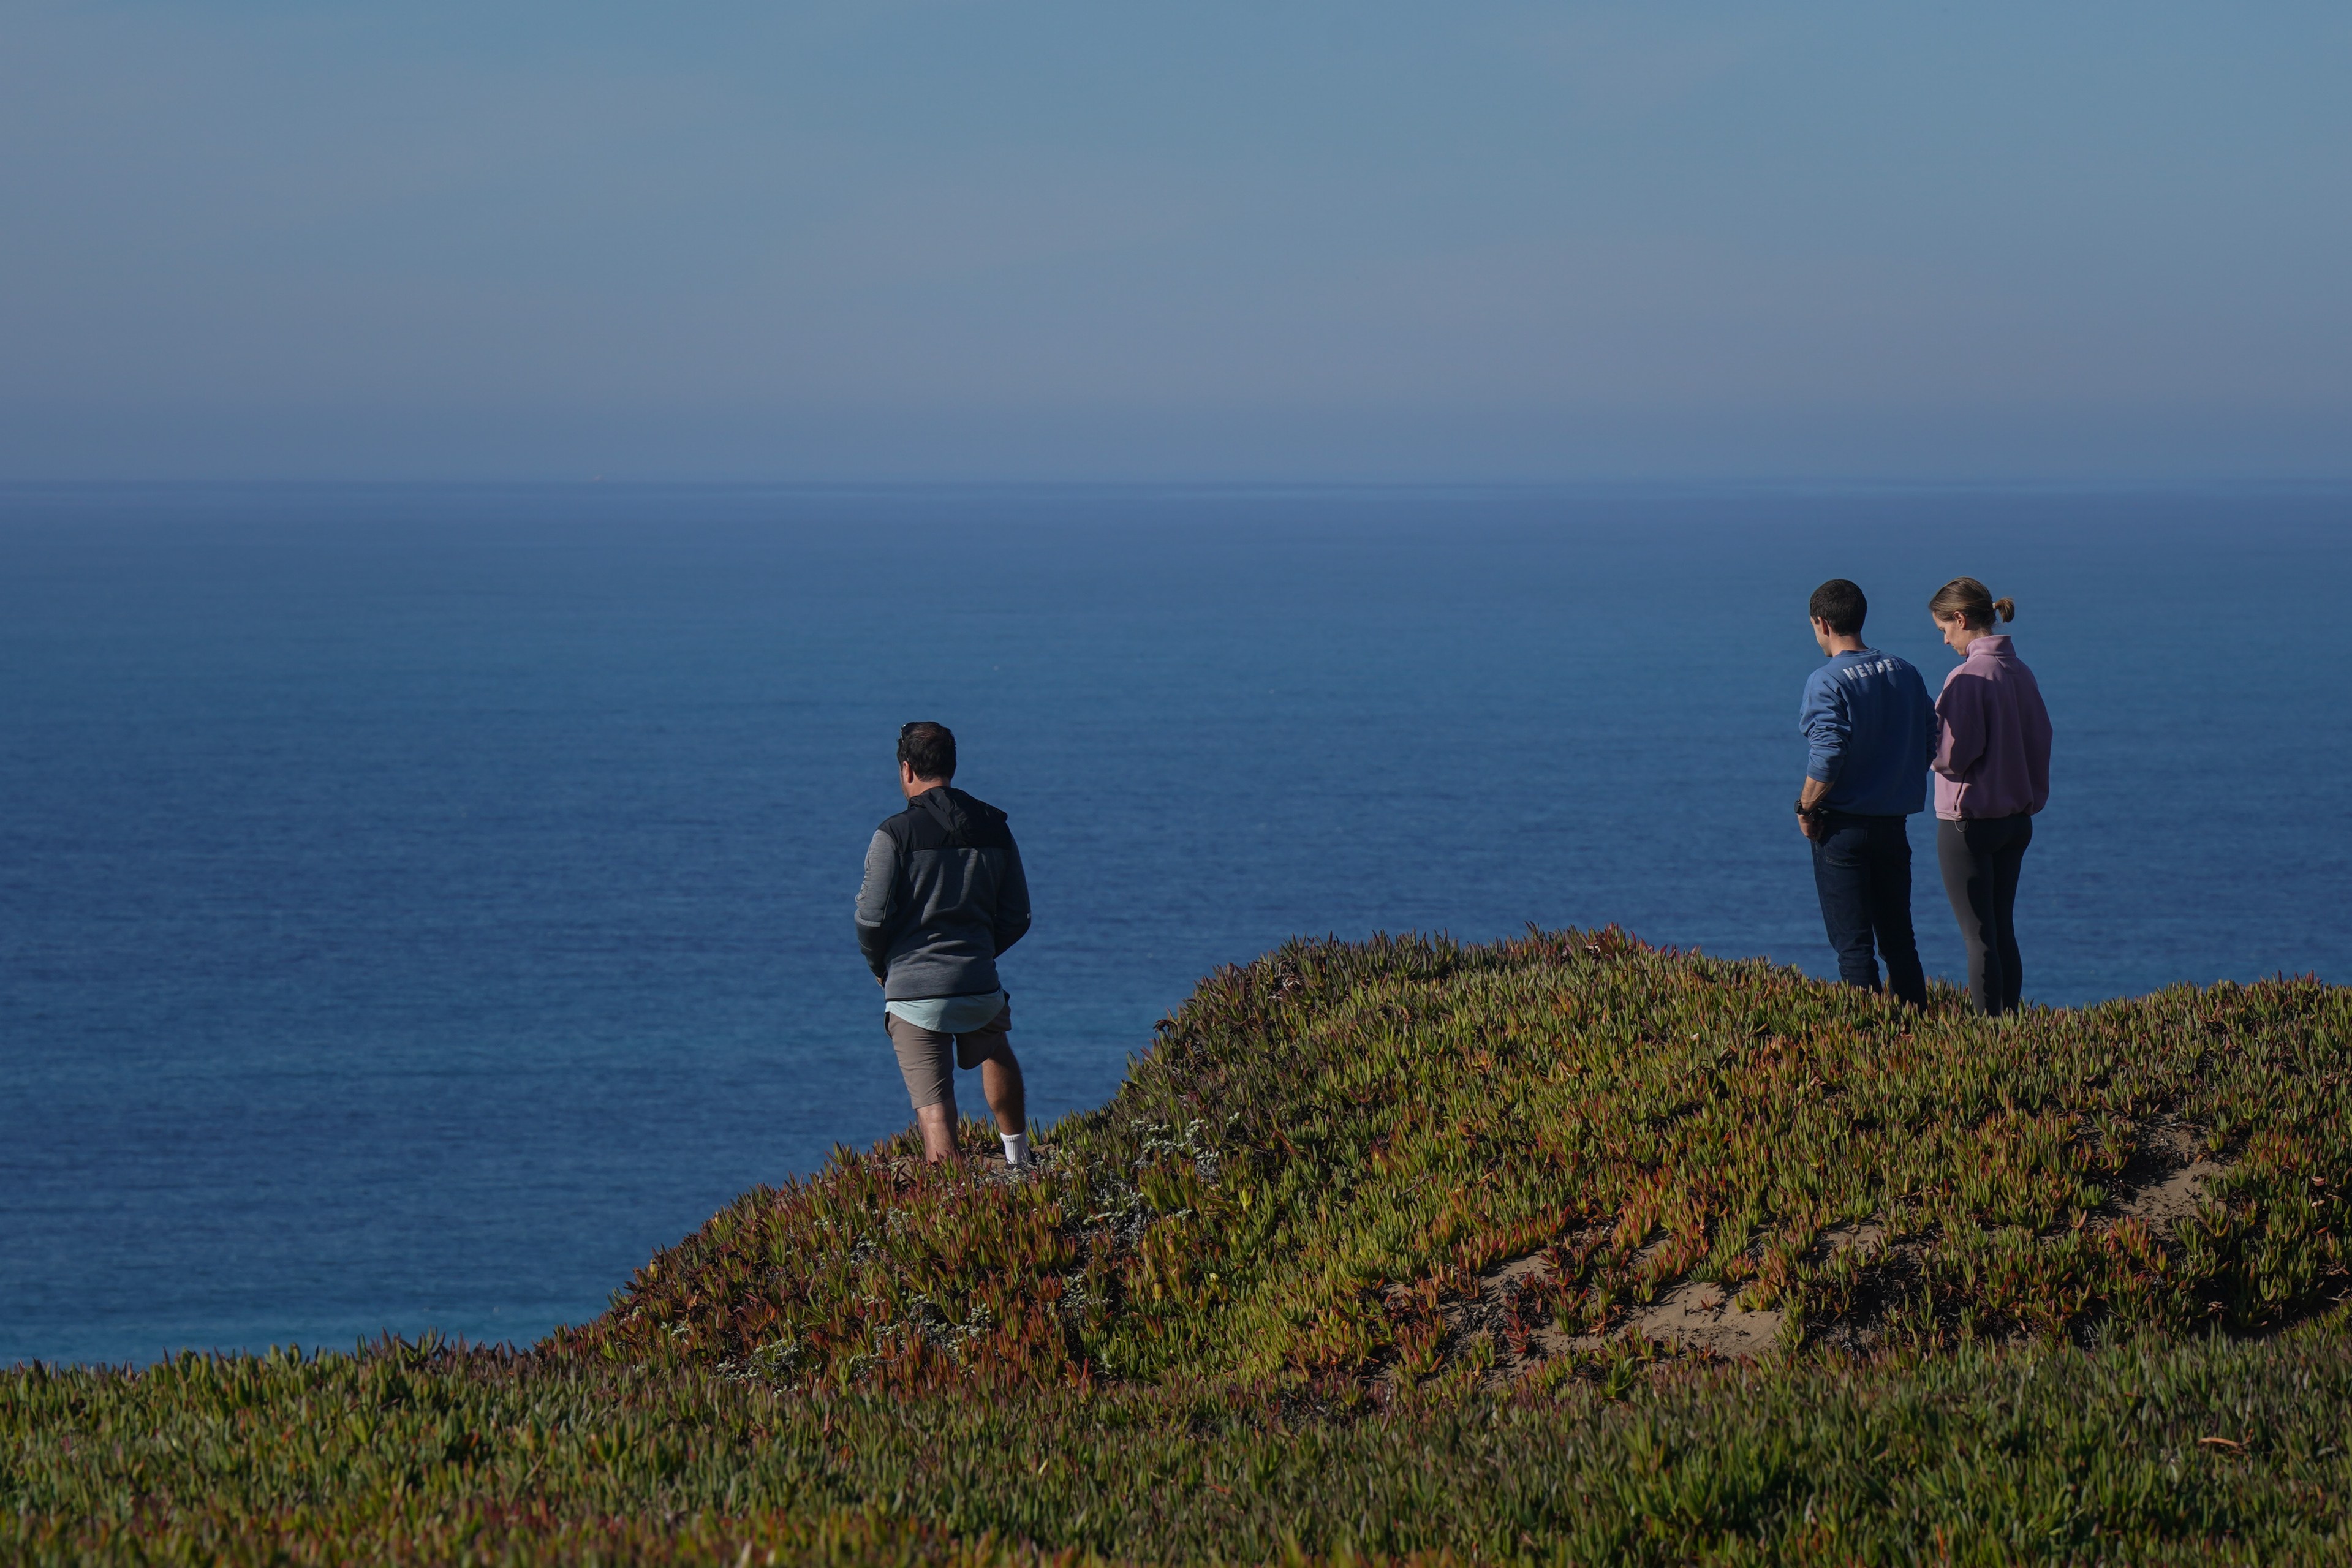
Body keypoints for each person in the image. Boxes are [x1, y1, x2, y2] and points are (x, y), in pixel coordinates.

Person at [854, 721, 1035, 1169]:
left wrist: (882, 966)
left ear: (906, 769)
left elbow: (870, 918)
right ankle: (1018, 1159)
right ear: (952, 766)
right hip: (977, 982)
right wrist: (978, 953)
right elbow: (1018, 916)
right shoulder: (996, 826)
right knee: (997, 1049)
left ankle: (956, 1204)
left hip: (914, 991)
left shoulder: (893, 835)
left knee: (934, 1106)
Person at [1796, 579, 1937, 1008]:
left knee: (1853, 946)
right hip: (1893, 825)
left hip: (1842, 829)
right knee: (1899, 941)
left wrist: (1805, 806)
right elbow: (1929, 738)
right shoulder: (1904, 670)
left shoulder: (1826, 681)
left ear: (1821, 623)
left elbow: (1828, 753)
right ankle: (1921, 1034)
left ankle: (1870, 1041)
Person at [1928, 578, 2052, 1017]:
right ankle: (2011, 1022)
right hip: (2017, 820)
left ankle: (1986, 1034)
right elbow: (2042, 739)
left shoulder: (1967, 677)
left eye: (1944, 629)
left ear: (1961, 619)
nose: (1945, 640)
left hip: (1968, 824)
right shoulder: (2021, 671)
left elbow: (1952, 758)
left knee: (1977, 935)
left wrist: (1926, 741)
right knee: (2002, 929)